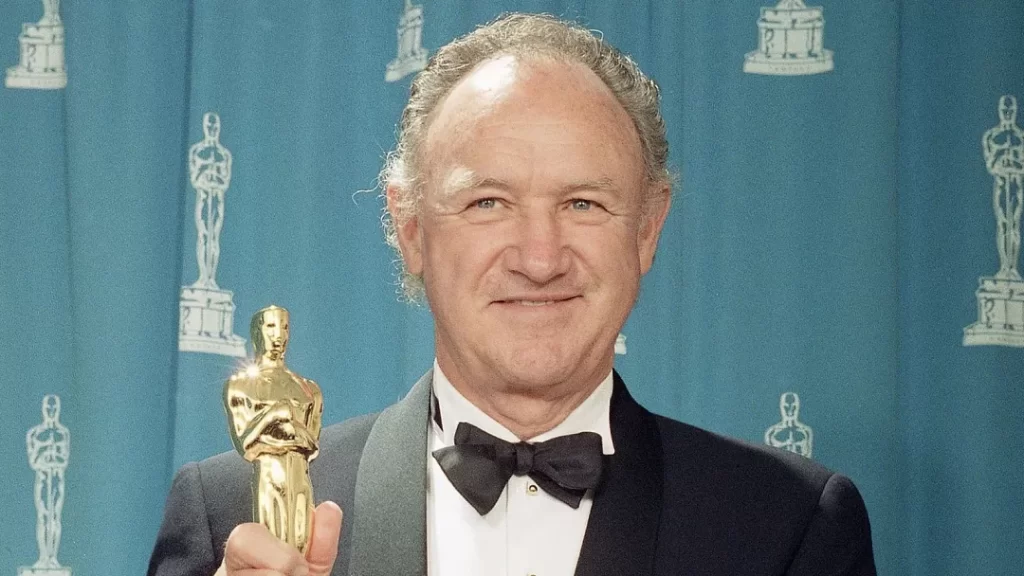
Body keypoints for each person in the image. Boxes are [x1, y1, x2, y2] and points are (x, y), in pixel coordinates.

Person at [149, 13, 876, 576]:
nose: (539, 258)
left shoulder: (788, 525)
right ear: (411, 230)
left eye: (583, 203)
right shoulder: (234, 515)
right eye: (488, 203)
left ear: (648, 229)